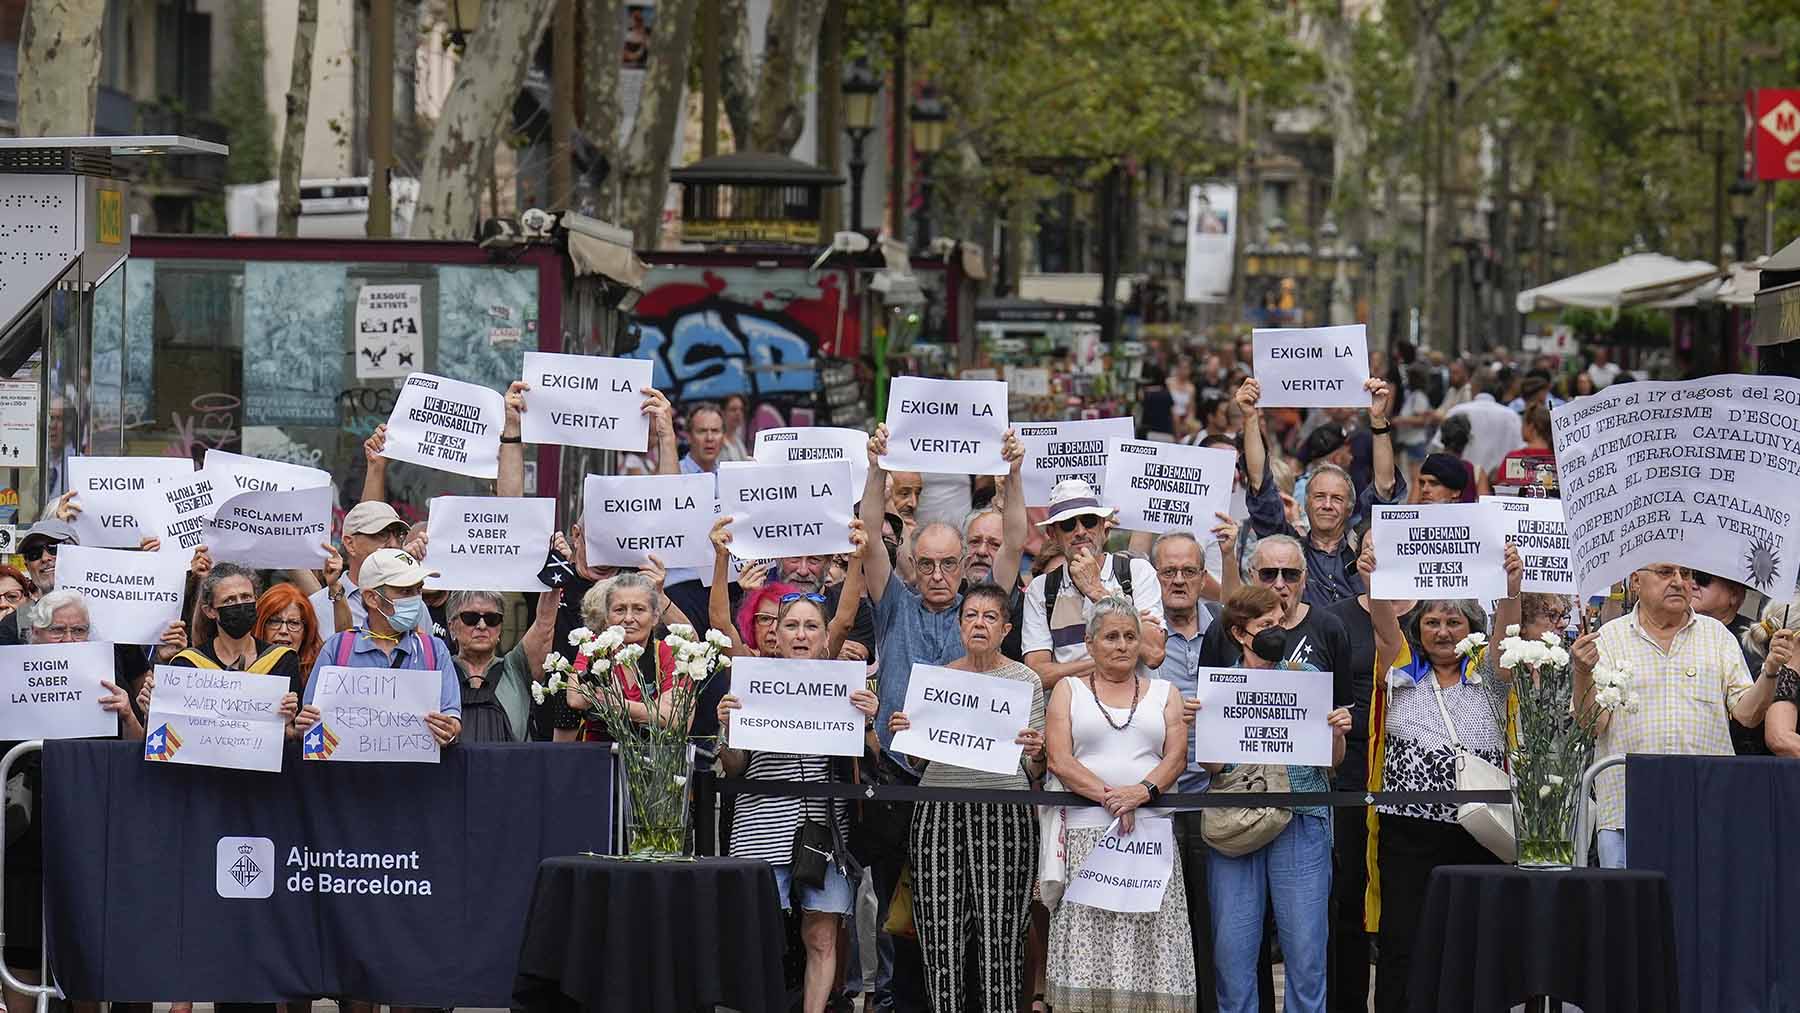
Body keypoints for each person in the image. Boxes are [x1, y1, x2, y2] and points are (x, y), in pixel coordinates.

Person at [1363, 541, 1522, 1013]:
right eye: (1432, 622)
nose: (1443, 631)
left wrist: (1511, 589)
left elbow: (1507, 634)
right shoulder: (1400, 672)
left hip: (1479, 828)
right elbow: (1382, 624)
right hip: (1407, 831)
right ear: (1419, 629)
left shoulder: (1490, 677)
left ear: (1471, 629)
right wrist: (1374, 583)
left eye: (1454, 622)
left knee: (1478, 938)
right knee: (1404, 938)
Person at [886, 583, 1046, 1013]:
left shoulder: (1025, 679)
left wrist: (1037, 750)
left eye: (990, 617)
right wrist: (908, 733)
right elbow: (919, 761)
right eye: (971, 615)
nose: (979, 623)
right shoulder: (938, 680)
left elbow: (1035, 767)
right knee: (941, 932)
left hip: (1006, 813)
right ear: (959, 626)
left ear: (1006, 628)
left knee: (1003, 932)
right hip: (939, 811)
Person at [716, 592, 879, 1013]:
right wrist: (728, 728)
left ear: (827, 637)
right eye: (791, 626)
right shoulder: (752, 683)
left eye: (811, 627)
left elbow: (870, 763)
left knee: (821, 936)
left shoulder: (846, 688)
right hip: (759, 828)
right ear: (776, 633)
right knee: (759, 936)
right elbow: (734, 768)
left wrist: (868, 722)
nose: (801, 635)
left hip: (826, 832)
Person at [1203, 585, 1351, 1013]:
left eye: (1280, 623)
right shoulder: (1220, 686)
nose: (1276, 632)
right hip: (1236, 823)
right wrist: (1203, 722)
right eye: (1265, 625)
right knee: (1232, 955)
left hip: (1301, 817)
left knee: (1306, 953)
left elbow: (1332, 762)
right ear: (1239, 633)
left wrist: (1337, 732)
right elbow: (1212, 767)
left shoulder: (1308, 680)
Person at [1573, 563, 1779, 869]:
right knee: (1628, 915)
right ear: (1635, 581)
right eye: (1666, 572)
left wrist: (1771, 670)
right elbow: (1594, 723)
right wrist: (1581, 672)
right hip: (1628, 816)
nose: (1679, 582)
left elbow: (1747, 715)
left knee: (1705, 913)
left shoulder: (1717, 636)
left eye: (1686, 574)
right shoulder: (1609, 638)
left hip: (1707, 812)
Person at [1044, 596, 1195, 1012]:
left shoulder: (1166, 692)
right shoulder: (1067, 690)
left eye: (1131, 636)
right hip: (1087, 835)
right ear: (1090, 644)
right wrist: (1114, 797)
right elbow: (1059, 759)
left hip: (1148, 837)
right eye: (1111, 636)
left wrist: (1141, 793)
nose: (1122, 645)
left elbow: (1176, 758)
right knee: (1091, 942)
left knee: (1150, 940)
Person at [1149, 526, 1234, 1013]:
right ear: (1154, 576)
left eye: (1189, 571)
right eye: (1168, 571)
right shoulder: (1138, 631)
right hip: (1151, 801)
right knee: (1158, 919)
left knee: (1211, 919)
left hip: (1212, 794)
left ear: (1204, 578)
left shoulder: (1225, 628)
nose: (1178, 580)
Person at [1318, 541, 1404, 1013]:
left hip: (1414, 772)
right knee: (1348, 891)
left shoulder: (1438, 612)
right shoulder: (1335, 617)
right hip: (1350, 771)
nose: (1376, 555)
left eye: (1387, 545)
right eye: (1368, 547)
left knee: (1402, 895)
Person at [1239, 377, 1406, 606]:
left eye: (1337, 498)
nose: (1327, 505)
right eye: (1319, 497)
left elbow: (1385, 488)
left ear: (1349, 508)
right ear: (1306, 503)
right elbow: (1259, 483)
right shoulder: (1288, 550)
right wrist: (1249, 417)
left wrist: (1377, 420)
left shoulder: (1363, 555)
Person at [294, 549, 463, 750]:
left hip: (417, 777)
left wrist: (450, 730)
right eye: (406, 591)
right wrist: (305, 725)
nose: (417, 599)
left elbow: (452, 719)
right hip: (350, 778)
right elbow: (314, 728)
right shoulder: (337, 649)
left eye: (418, 590)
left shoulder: (435, 650)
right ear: (372, 598)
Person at [1021, 478, 1166, 691]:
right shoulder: (1041, 589)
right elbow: (1039, 675)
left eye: (1088, 521)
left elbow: (1153, 654)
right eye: (1069, 524)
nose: (1080, 531)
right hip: (1073, 715)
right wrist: (1117, 657)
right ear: (1052, 535)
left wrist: (1098, 592)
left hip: (1135, 710)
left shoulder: (1137, 572)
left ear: (1101, 526)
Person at [445, 586, 560, 743]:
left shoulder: (517, 667)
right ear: (452, 627)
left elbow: (544, 624)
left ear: (500, 629)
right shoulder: (439, 669)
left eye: (492, 619)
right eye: (470, 618)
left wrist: (554, 580)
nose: (482, 626)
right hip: (451, 767)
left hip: (512, 766)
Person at [168, 563, 305, 690]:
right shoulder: (188, 664)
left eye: (246, 597)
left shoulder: (282, 660)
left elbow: (295, 713)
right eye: (230, 600)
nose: (240, 605)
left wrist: (291, 714)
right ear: (210, 611)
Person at [310, 498, 410, 636]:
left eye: (398, 535)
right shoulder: (316, 607)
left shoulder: (412, 602)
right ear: (350, 544)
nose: (393, 544)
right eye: (382, 534)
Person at [1439, 371, 1520, 478]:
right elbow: (1518, 453)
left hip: (1460, 481)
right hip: (1498, 485)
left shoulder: (1456, 411)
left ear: (1474, 387)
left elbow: (1440, 447)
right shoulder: (1511, 415)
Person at [252, 584, 324, 681]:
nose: (283, 631)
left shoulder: (319, 674)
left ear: (306, 632)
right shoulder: (243, 664)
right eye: (274, 621)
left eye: (294, 623)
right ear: (260, 624)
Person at [1492, 403, 1557, 497]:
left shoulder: (1514, 458)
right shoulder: (1558, 460)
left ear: (1531, 427)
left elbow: (1502, 492)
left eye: (1523, 423)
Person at [720, 394, 751, 461]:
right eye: (733, 409)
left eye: (741, 409)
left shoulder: (738, 440)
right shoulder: (717, 441)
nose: (738, 413)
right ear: (723, 413)